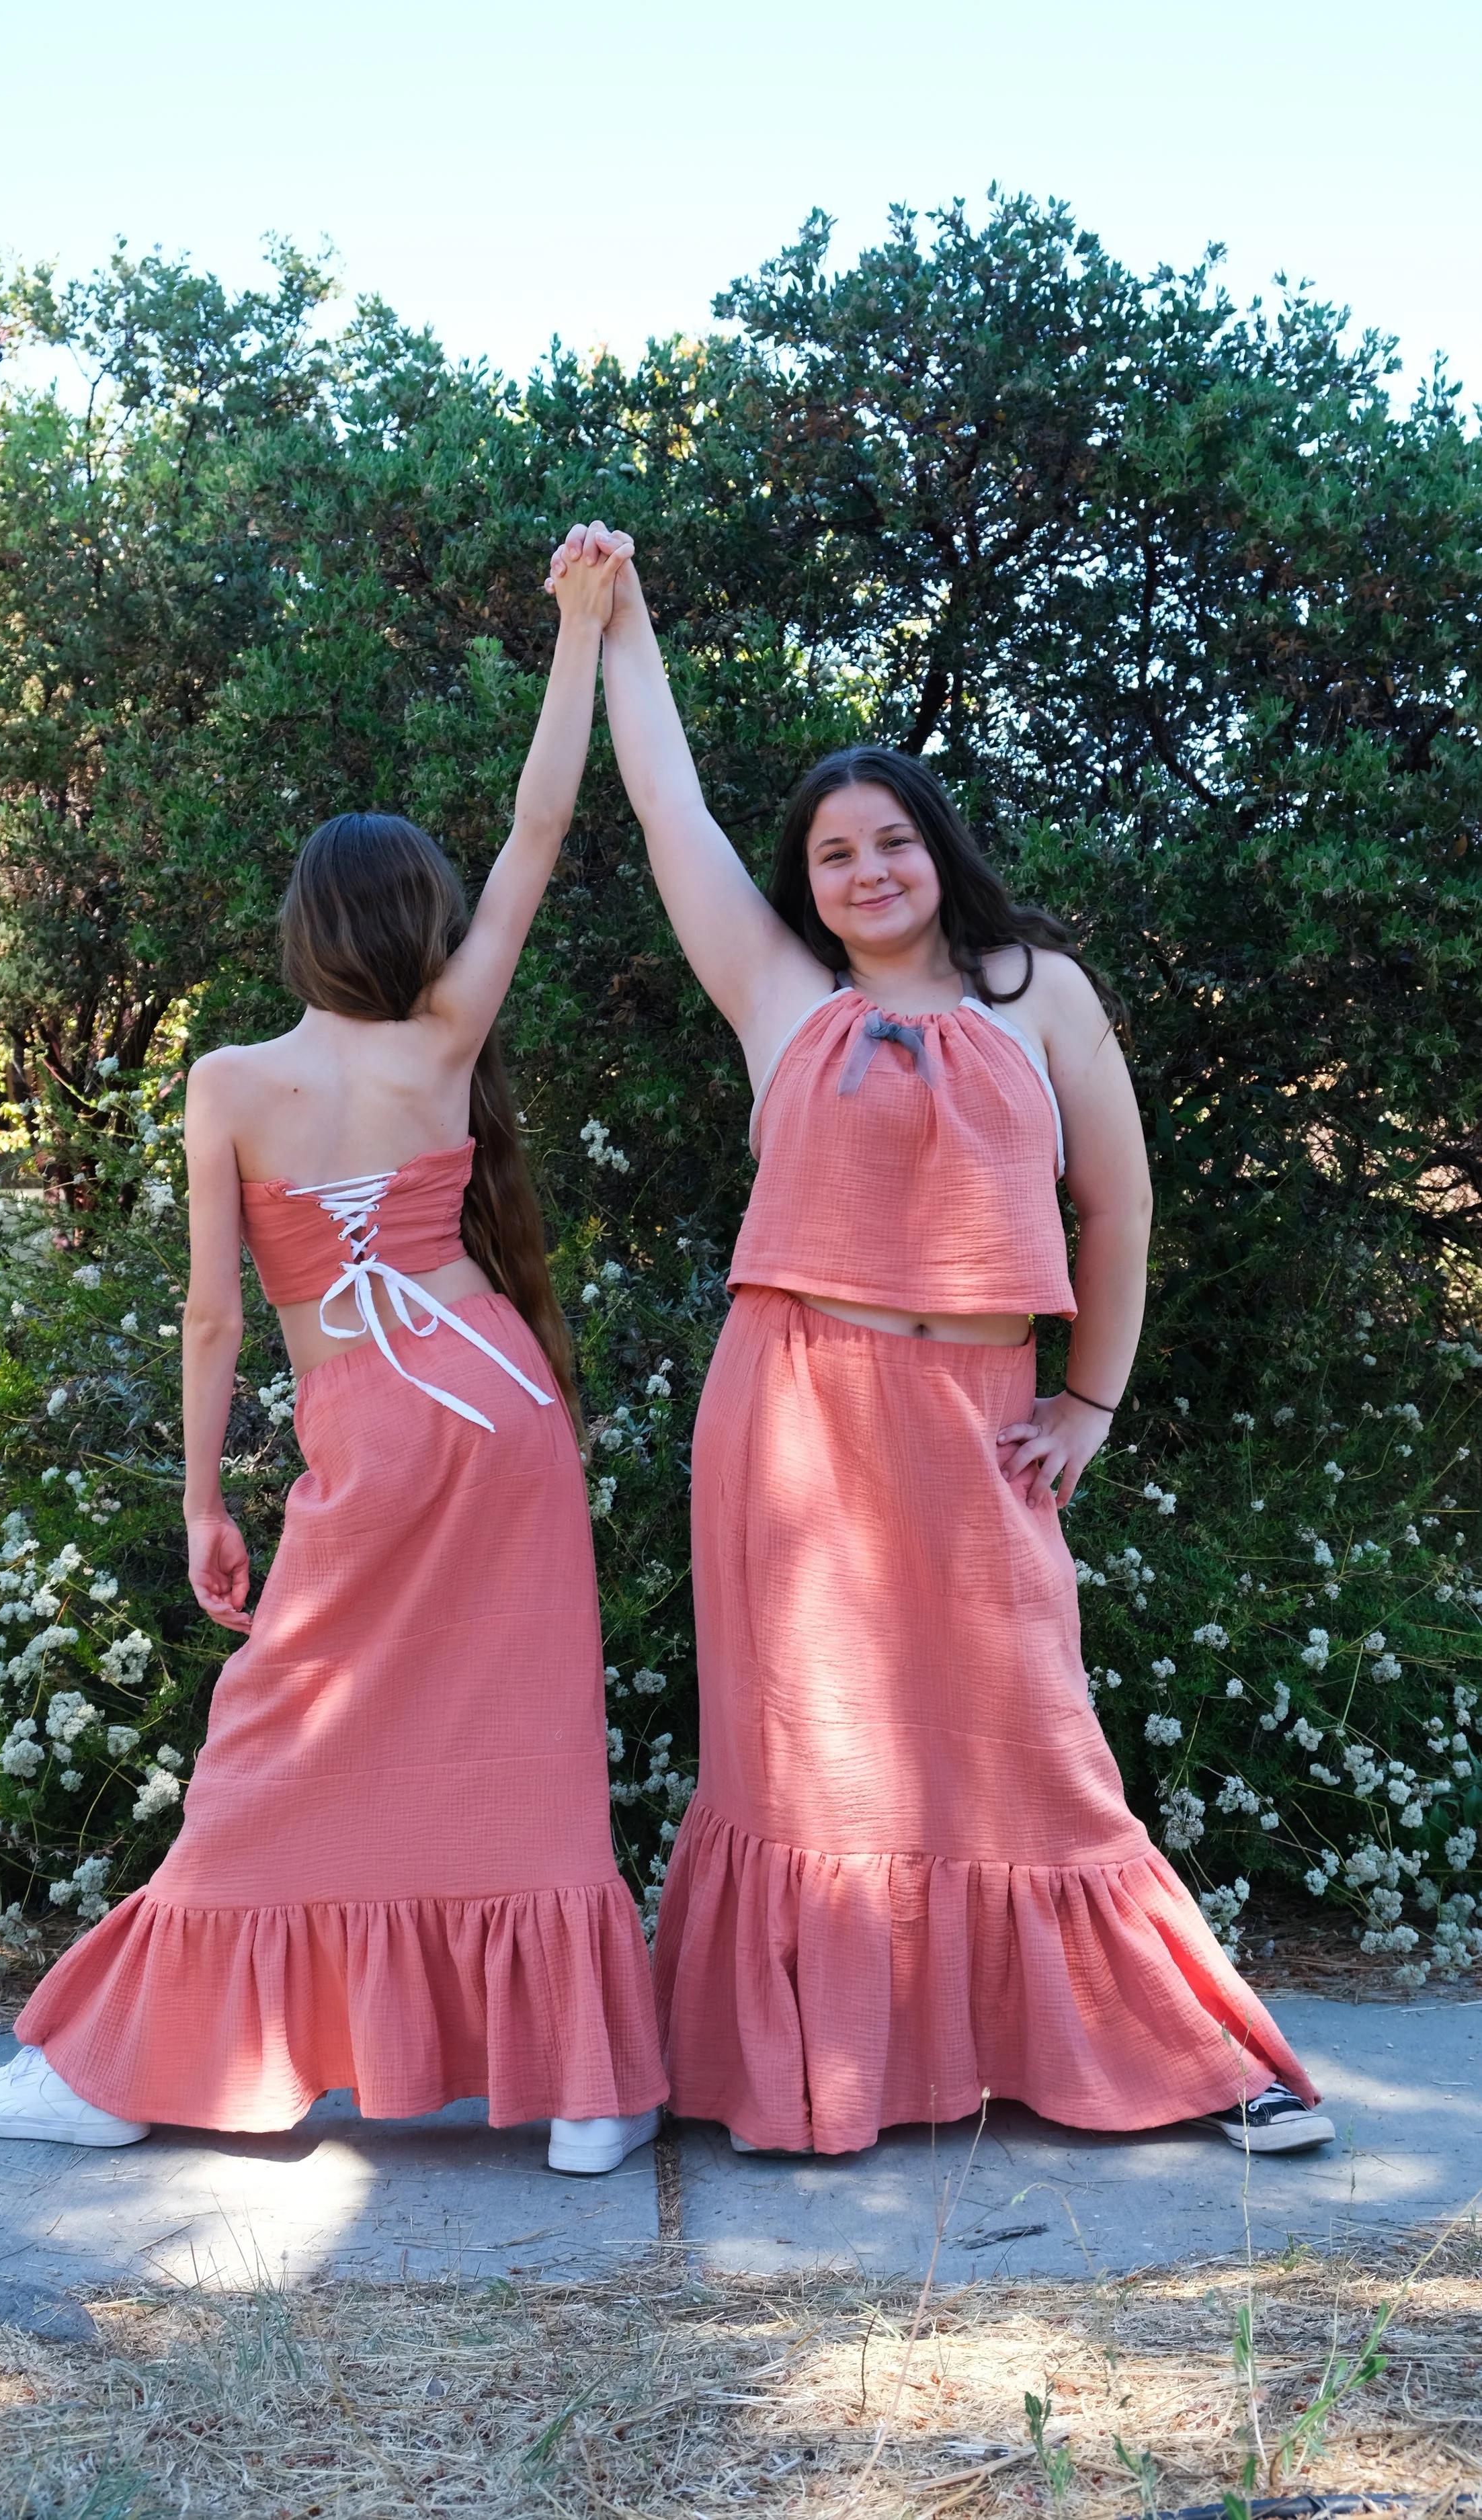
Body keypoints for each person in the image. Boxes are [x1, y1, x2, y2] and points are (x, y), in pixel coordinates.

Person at [552, 520, 1333, 2160]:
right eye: (834, 854)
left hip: (979, 1412)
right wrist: (617, 625)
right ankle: (810, 2071)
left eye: (890, 841)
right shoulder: (778, 995)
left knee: (1030, 1739)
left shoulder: (1037, 993)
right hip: (792, 1415)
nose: (866, 872)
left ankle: (1191, 2057)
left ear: (935, 850)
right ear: (809, 885)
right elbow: (668, 808)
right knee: (806, 1757)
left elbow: (1116, 1209)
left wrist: (1090, 1401)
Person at [0, 532, 666, 2175]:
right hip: (498, 1401)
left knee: (277, 1729)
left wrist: (204, 1498)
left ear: (298, 931)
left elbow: (215, 1315)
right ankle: (590, 2092)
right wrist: (578, 630)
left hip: (366, 1416)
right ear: (419, 922)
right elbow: (540, 828)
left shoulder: (226, 1083)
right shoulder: (443, 1041)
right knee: (521, 1734)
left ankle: (122, 2073)